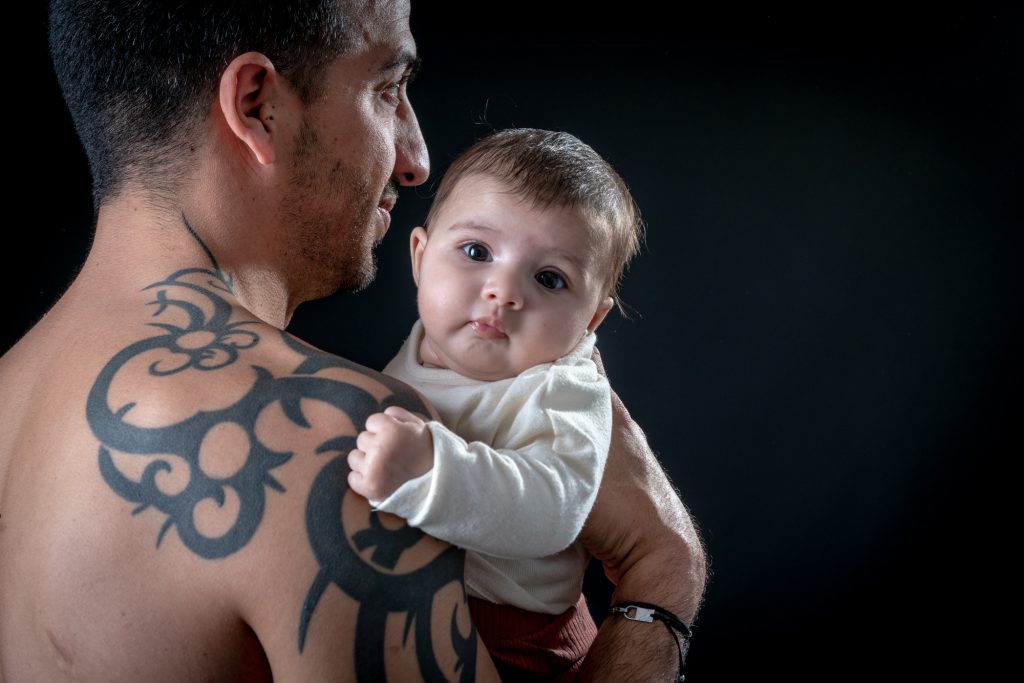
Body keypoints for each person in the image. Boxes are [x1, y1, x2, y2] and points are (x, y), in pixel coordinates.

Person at [0, 1, 706, 681]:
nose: (417, 157)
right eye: (389, 88)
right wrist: (664, 575)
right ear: (256, 105)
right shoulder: (328, 438)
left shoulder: (10, 386)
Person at [346, 128, 638, 681]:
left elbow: (555, 510)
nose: (504, 290)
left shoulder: (562, 389)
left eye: (550, 279)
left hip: (520, 639)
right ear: (420, 256)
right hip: (419, 603)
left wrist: (434, 471)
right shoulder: (418, 353)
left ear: (591, 321)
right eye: (477, 251)